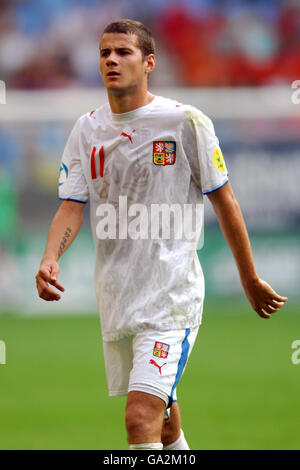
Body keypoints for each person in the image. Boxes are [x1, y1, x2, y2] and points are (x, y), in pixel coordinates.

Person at [35, 19, 288, 450]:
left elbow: (224, 201)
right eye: (104, 53)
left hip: (171, 300)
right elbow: (71, 206)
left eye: (123, 52)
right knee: (165, 424)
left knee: (140, 419)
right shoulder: (86, 130)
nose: (111, 59)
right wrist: (49, 257)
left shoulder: (184, 122)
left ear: (149, 62)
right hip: (118, 298)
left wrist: (248, 278)